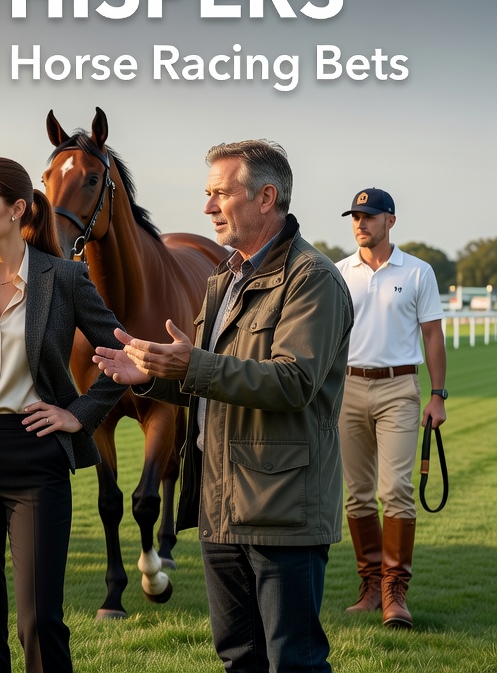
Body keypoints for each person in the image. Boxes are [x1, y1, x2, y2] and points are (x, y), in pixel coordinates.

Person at [94, 140, 352, 672]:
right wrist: (149, 378)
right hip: (220, 505)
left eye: (220, 193)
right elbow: (212, 381)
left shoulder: (313, 278)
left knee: (293, 660)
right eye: (207, 194)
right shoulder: (224, 278)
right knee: (239, 658)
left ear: (266, 197)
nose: (207, 207)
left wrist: (189, 365)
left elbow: (292, 382)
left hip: (282, 509)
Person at [0, 157, 126, 673]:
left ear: (17, 209)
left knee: (39, 621)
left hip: (35, 456)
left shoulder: (66, 278)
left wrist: (78, 414)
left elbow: (123, 358)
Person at [335, 187, 446, 629]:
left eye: (369, 216)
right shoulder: (338, 272)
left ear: (390, 221)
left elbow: (433, 336)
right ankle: (369, 587)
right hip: (347, 388)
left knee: (395, 491)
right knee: (357, 493)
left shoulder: (418, 272)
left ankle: (394, 593)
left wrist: (438, 395)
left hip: (400, 388)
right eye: (355, 217)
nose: (360, 223)